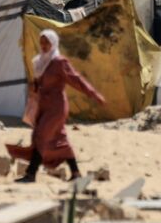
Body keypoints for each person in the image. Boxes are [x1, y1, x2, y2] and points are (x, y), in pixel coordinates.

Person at [7, 29, 106, 183]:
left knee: (41, 135)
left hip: (56, 107)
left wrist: (93, 93)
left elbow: (75, 79)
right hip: (43, 106)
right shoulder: (39, 62)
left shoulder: (59, 62)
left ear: (54, 43)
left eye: (47, 42)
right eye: (42, 42)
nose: (44, 45)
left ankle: (31, 174)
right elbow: (39, 84)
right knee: (59, 139)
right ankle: (76, 173)